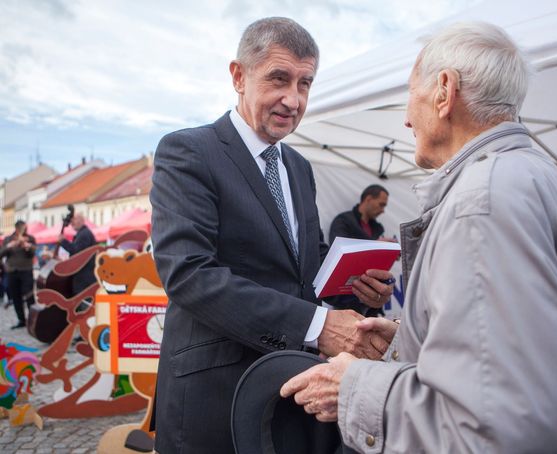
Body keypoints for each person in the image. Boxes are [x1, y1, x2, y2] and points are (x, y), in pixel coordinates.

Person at [281, 22, 557, 453]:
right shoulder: (533, 173)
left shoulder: (481, 202)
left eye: (410, 94)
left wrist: (355, 387)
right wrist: (420, 339)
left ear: (445, 91)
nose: (408, 118)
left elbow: (504, 421)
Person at [150, 17, 393, 453]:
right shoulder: (189, 151)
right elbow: (190, 274)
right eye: (279, 79)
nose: (293, 99)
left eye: (305, 84)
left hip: (292, 390)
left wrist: (358, 289)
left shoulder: (298, 167)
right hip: (214, 397)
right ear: (239, 76)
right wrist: (318, 326)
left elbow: (307, 268)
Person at [328, 184, 390, 316]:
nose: (383, 210)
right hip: (346, 298)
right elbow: (339, 250)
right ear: (368, 199)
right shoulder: (343, 221)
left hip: (371, 298)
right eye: (381, 204)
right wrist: (376, 245)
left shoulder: (378, 228)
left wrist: (387, 253)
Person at [0, 220, 37, 329]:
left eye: (25, 228)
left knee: (30, 296)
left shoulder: (30, 239)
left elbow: (33, 253)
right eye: (22, 228)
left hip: (26, 270)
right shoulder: (8, 239)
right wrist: (9, 246)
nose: (24, 230)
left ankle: (33, 320)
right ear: (17, 229)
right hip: (12, 271)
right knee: (16, 297)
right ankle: (21, 319)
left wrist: (27, 246)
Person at [58, 213, 98, 295]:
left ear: (82, 221)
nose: (72, 222)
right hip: (84, 276)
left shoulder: (84, 234)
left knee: (82, 300)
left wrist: (64, 242)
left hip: (84, 277)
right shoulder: (83, 233)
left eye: (74, 219)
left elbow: (77, 253)